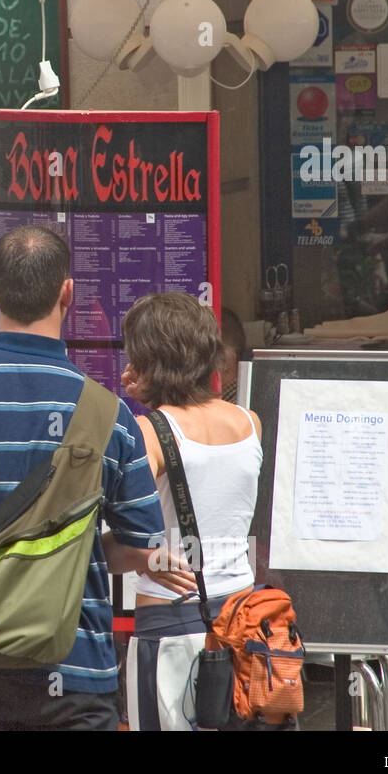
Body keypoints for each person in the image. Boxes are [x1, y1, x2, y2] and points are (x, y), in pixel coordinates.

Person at [0, 224, 195, 730]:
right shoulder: (107, 413)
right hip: (69, 669)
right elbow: (141, 546)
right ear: (67, 293)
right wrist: (76, 546)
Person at [119, 293, 263, 731]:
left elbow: (116, 537)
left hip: (170, 619)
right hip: (243, 618)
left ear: (147, 361)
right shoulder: (249, 422)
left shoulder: (146, 432)